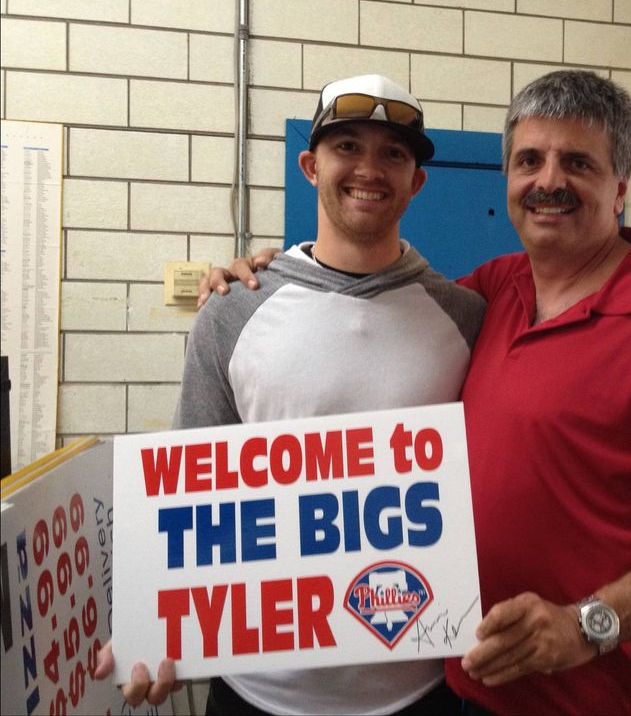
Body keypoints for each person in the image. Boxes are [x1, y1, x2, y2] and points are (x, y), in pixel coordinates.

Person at [202, 70, 631, 715]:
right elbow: (364, 308)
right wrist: (270, 274)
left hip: (599, 700)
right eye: (529, 160)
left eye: (578, 162)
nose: (549, 181)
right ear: (507, 180)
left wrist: (587, 626)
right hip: (469, 686)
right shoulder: (492, 294)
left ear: (619, 188)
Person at [94, 74, 485, 716]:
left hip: (419, 693)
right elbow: (189, 496)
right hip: (257, 695)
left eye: (393, 153)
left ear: (417, 181)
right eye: (347, 147)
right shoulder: (231, 311)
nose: (369, 169)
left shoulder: (467, 318)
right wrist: (149, 629)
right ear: (310, 166)